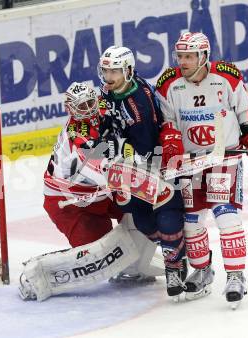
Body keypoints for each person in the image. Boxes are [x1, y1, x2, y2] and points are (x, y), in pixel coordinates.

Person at [155, 32, 248, 307]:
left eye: (188, 56)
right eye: (179, 56)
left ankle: (235, 277)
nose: (182, 61)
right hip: (190, 163)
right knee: (192, 222)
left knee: (226, 216)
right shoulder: (169, 83)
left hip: (223, 159)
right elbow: (166, 119)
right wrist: (171, 143)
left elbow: (245, 111)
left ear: (203, 56)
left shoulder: (227, 78)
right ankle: (203, 269)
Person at [18, 82, 163, 301]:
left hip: (99, 191)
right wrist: (142, 173)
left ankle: (136, 267)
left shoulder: (102, 108)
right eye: (82, 106)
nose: (89, 108)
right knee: (102, 258)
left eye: (90, 102)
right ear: (70, 108)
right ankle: (38, 275)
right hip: (71, 201)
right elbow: (106, 175)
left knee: (145, 207)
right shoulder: (78, 137)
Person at [98, 46, 188, 300]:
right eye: (105, 70)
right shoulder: (110, 90)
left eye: (114, 70)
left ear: (127, 70)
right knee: (143, 221)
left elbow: (145, 149)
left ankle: (174, 265)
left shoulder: (139, 104)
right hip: (131, 168)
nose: (108, 76)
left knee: (166, 216)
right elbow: (107, 126)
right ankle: (180, 251)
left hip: (157, 164)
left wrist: (115, 150)